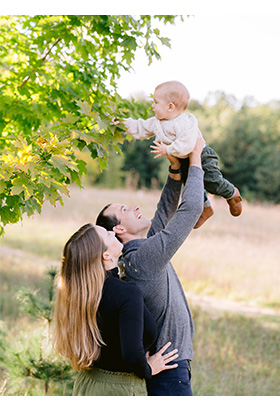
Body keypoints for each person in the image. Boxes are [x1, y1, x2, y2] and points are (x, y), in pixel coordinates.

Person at [95, 133, 209, 395]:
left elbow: (164, 210)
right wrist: (195, 160)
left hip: (172, 367)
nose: (134, 207)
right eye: (125, 209)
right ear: (120, 228)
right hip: (169, 371)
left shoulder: (141, 252)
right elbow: (190, 209)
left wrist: (174, 170)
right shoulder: (144, 260)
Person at [50, 224, 180, 395]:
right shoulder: (126, 293)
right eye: (107, 234)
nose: (112, 231)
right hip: (120, 389)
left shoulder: (79, 294)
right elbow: (132, 355)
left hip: (87, 384)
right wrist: (149, 368)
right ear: (106, 255)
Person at [119, 80, 243, 228]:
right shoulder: (157, 122)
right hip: (184, 160)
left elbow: (187, 143)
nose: (152, 105)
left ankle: (232, 193)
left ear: (170, 107)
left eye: (156, 102)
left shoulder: (184, 122)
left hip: (202, 156)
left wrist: (167, 150)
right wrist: (122, 123)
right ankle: (205, 207)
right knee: (191, 186)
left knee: (212, 182)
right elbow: (140, 127)